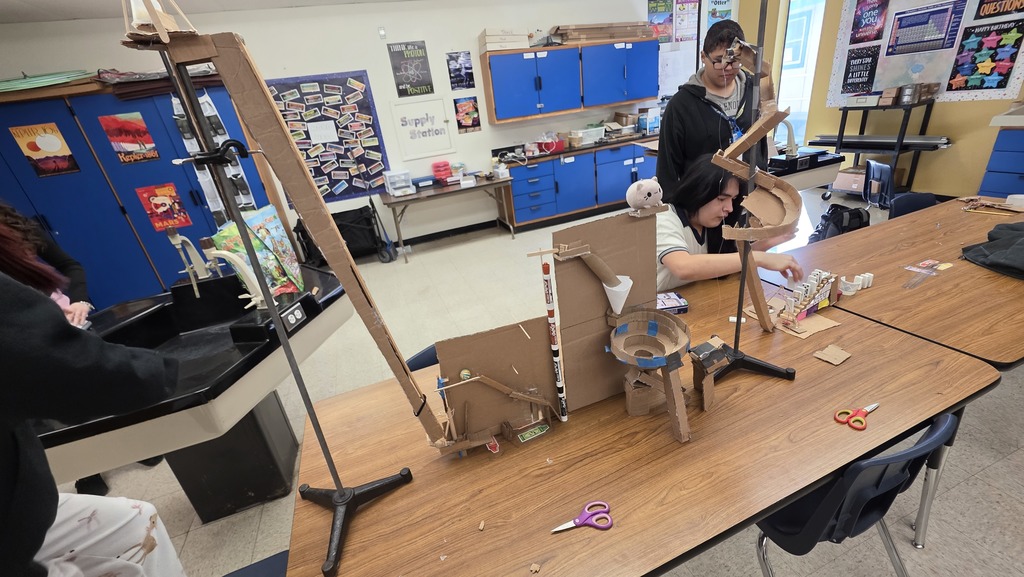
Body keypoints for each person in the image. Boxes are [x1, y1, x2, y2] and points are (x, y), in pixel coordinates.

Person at [0, 223, 187, 577]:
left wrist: (78, 303)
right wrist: (168, 371)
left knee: (137, 519)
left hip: (19, 512)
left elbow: (69, 270)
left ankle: (138, 448)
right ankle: (93, 468)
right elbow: (72, 371)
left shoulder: (23, 227)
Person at [0, 202, 163, 496]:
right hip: (21, 335)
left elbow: (70, 265)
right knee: (56, 403)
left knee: (102, 383)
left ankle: (136, 442)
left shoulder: (16, 226)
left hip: (62, 319)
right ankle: (87, 467)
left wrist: (79, 301)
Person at [656, 156, 803, 291]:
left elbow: (726, 260)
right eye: (721, 199)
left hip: (691, 297)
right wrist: (758, 258)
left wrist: (765, 243)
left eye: (732, 199)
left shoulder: (710, 223)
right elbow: (683, 267)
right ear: (698, 192)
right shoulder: (665, 218)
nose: (730, 208)